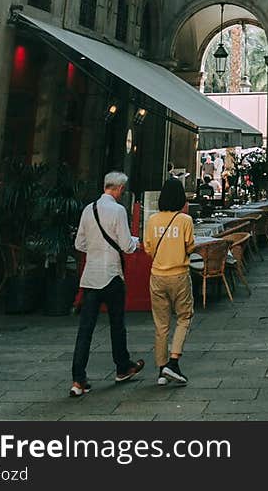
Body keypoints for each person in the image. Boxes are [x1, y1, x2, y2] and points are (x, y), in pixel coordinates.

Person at [70, 170, 144, 398]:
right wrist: (137, 241)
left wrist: (95, 248)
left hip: (91, 276)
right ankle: (122, 367)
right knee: (116, 324)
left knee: (85, 329)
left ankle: (78, 379)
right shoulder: (118, 210)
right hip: (112, 274)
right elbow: (125, 244)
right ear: (120, 189)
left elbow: (79, 243)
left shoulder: (88, 209)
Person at [144, 176, 195, 387]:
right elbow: (190, 246)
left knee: (161, 323)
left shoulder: (153, 220)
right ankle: (173, 361)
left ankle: (161, 370)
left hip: (157, 276)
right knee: (184, 316)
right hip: (179, 274)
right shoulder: (185, 220)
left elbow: (148, 248)